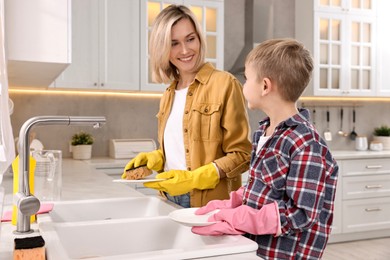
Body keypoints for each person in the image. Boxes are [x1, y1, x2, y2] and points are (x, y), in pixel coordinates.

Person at [192, 38, 339, 259]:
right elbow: (262, 188)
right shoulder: (264, 133)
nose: (244, 85)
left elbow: (301, 214)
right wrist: (232, 203)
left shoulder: (306, 144)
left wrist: (243, 218)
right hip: (256, 250)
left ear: (265, 86)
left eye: (247, 79)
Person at [122, 5, 251, 208]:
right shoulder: (168, 95)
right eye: (173, 43)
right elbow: (181, 150)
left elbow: (242, 155)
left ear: (199, 38)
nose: (184, 50)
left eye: (190, 39)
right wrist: (155, 159)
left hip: (208, 203)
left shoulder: (225, 84)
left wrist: (195, 178)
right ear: (162, 48)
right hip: (167, 196)